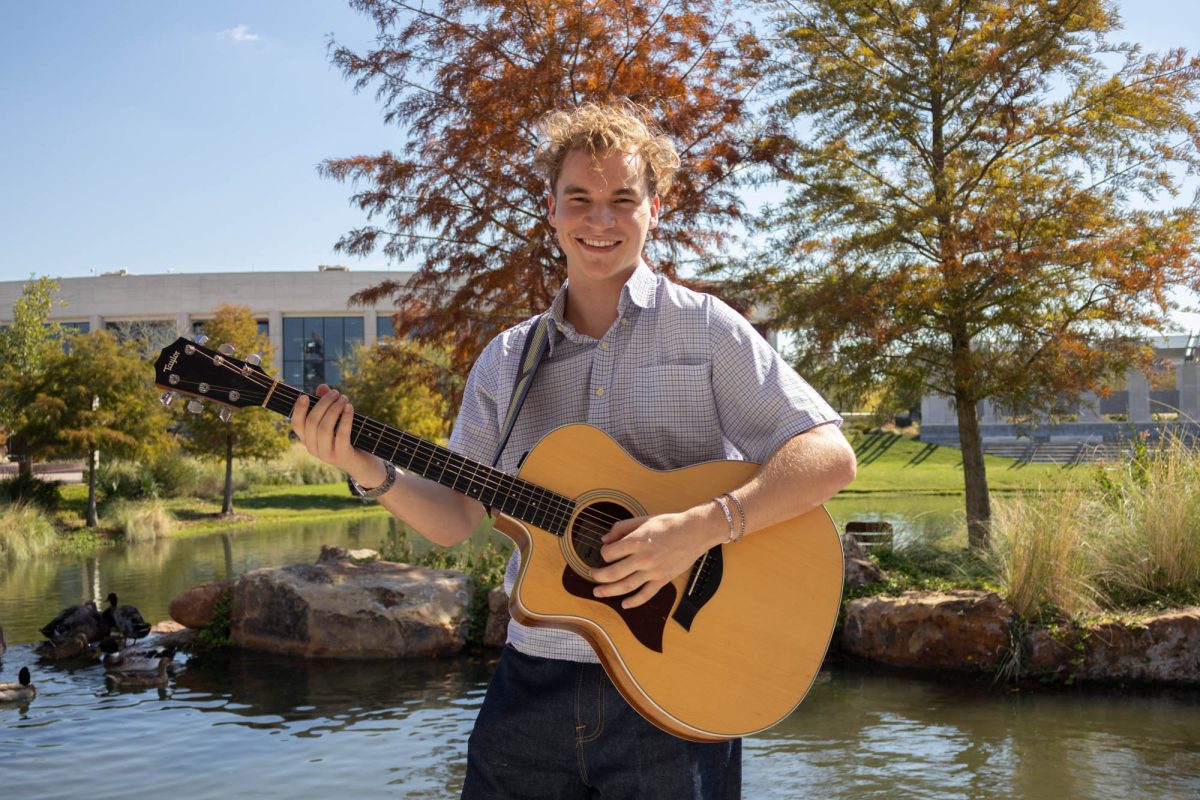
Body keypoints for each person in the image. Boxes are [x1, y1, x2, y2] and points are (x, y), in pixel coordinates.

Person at [291, 102, 857, 799]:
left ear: (655, 209)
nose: (600, 220)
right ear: (550, 210)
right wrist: (364, 467)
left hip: (679, 687)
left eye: (623, 199)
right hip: (532, 687)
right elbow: (456, 518)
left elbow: (828, 456)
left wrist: (699, 528)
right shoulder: (506, 360)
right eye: (580, 199)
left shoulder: (707, 331)